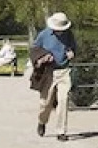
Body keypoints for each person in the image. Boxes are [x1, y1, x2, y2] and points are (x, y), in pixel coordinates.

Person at [32, 12, 77, 140]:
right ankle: (42, 121)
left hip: (64, 70)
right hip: (48, 71)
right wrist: (43, 57)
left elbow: (73, 48)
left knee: (63, 100)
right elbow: (35, 49)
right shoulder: (44, 34)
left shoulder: (69, 34)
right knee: (45, 103)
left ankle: (61, 131)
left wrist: (71, 52)